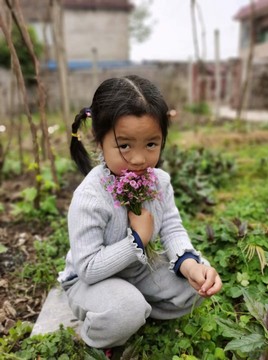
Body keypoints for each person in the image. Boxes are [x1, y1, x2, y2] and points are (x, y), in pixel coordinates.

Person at [58, 75, 222, 356]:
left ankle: (131, 310)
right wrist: (137, 239)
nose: (138, 159)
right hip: (89, 282)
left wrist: (189, 265)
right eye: (124, 145)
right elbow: (87, 268)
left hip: (137, 272)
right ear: (99, 141)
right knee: (126, 309)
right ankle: (98, 329)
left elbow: (171, 228)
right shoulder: (90, 196)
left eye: (150, 144)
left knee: (197, 283)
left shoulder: (159, 181)